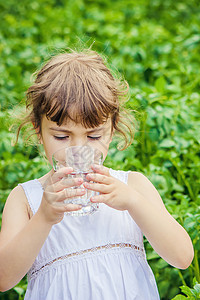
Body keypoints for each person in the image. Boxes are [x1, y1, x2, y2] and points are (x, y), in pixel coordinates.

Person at [0, 49, 194, 300]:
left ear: (112, 131)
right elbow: (4, 279)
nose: (78, 150)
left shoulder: (133, 185)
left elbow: (182, 257)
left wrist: (133, 202)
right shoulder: (26, 199)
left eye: (93, 136)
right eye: (61, 136)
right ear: (39, 131)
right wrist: (44, 217)